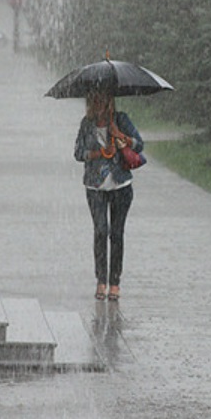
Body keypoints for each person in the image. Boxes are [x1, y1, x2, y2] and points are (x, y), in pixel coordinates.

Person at [73, 90, 143, 301]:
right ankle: (101, 280)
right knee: (101, 231)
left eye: (103, 98)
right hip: (95, 187)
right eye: (95, 99)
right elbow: (78, 153)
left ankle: (115, 282)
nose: (99, 102)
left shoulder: (121, 119)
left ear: (110, 100)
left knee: (117, 234)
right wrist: (97, 154)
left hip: (121, 185)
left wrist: (120, 135)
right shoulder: (87, 124)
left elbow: (139, 145)